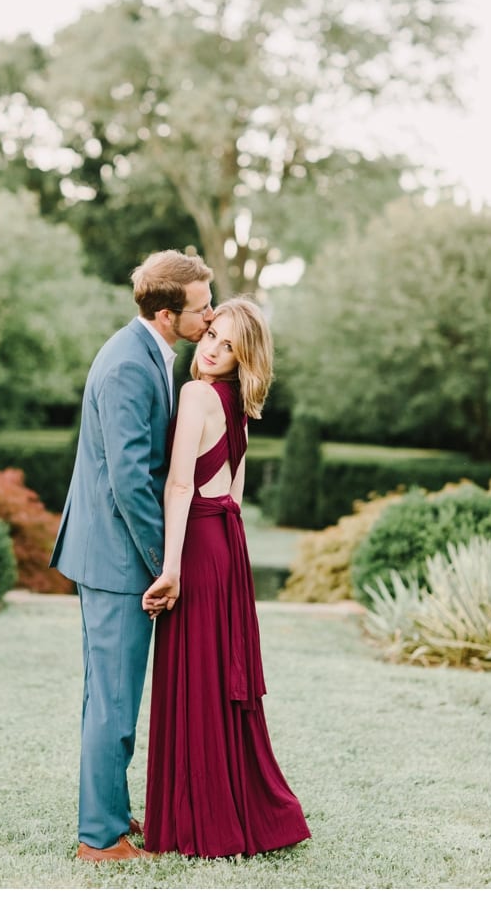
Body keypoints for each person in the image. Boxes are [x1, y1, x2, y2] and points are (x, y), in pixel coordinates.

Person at [49, 249, 215, 862]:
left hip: (118, 557)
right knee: (113, 703)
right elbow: (128, 480)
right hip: (118, 562)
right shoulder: (127, 365)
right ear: (170, 314)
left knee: (115, 696)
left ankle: (112, 815)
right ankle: (99, 837)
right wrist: (162, 563)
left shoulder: (149, 354)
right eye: (202, 308)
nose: (211, 317)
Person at [141, 297, 310, 858]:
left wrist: (170, 569)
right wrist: (226, 557)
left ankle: (198, 814)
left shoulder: (195, 394)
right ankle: (231, 807)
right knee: (217, 677)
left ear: (243, 357)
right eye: (213, 334)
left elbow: (179, 486)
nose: (212, 348)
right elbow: (234, 493)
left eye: (228, 345)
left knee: (197, 674)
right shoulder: (236, 404)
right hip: (227, 547)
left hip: (198, 547)